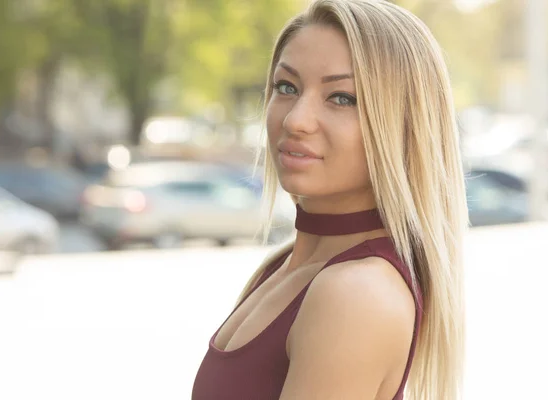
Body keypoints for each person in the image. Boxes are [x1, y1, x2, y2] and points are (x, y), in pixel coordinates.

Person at [191, 0, 468, 399]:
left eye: (341, 98)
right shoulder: (281, 268)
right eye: (287, 87)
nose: (294, 120)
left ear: (404, 125)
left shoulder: (356, 291)